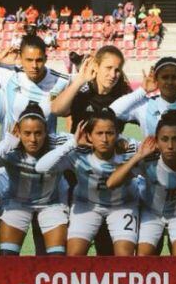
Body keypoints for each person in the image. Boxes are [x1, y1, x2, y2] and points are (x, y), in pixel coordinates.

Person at [0, 103, 70, 256]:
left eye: (38, 133)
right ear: (18, 132)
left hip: (51, 203)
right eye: (27, 133)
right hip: (17, 203)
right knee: (7, 258)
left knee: (57, 259)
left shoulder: (58, 144)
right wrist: (6, 144)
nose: (33, 139)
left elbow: (91, 139)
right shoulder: (10, 148)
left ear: (46, 132)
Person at [35, 109, 139, 256]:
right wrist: (73, 143)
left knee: (124, 257)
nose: (104, 139)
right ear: (89, 135)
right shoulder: (77, 151)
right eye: (99, 133)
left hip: (123, 205)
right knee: (74, 256)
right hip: (86, 204)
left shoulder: (130, 150)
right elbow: (41, 167)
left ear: (117, 135)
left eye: (109, 133)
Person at [106, 110, 176, 256]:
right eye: (164, 139)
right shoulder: (148, 159)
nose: (170, 145)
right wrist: (138, 156)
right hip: (152, 212)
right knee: (143, 258)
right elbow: (111, 182)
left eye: (175, 139)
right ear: (156, 141)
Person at [111, 57, 176, 151]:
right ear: (156, 80)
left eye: (174, 77)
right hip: (153, 165)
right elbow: (113, 111)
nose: (170, 82)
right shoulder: (145, 105)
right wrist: (142, 90)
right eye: (165, 77)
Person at [0, 34, 71, 134]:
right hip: (9, 148)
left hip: (47, 149)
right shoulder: (9, 75)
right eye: (29, 60)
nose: (34, 66)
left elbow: (71, 113)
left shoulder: (60, 81)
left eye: (39, 60)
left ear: (45, 58)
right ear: (20, 58)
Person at [51, 46, 133, 133]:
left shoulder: (123, 95)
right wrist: (80, 80)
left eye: (117, 70)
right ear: (96, 67)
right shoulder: (81, 91)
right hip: (80, 146)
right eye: (108, 68)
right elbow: (56, 110)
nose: (113, 75)